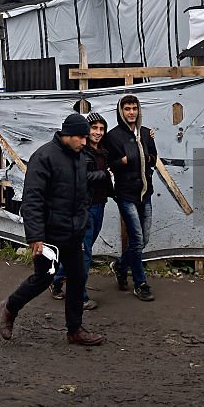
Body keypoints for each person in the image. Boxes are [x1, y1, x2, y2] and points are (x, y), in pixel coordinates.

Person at [0, 113, 104, 346]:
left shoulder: (79, 156)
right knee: (43, 278)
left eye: (86, 138)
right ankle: (10, 308)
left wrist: (83, 216)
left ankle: (74, 330)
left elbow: (81, 190)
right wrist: (36, 237)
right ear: (66, 134)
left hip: (74, 232)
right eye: (81, 137)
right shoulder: (44, 157)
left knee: (77, 278)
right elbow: (32, 199)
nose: (85, 142)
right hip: (49, 235)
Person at [51, 111, 113, 310]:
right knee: (84, 254)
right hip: (85, 208)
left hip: (99, 205)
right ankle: (80, 296)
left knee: (82, 250)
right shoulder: (81, 152)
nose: (98, 132)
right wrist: (104, 174)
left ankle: (57, 279)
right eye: (94, 128)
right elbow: (83, 176)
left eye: (101, 129)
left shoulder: (103, 150)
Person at [104, 94, 157, 301]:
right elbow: (109, 163)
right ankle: (140, 283)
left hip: (146, 192)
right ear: (121, 111)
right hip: (126, 193)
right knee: (136, 239)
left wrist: (146, 154)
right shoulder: (113, 136)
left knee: (144, 239)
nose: (131, 112)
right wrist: (124, 160)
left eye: (134, 108)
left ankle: (119, 266)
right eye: (127, 108)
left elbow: (154, 158)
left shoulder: (145, 133)